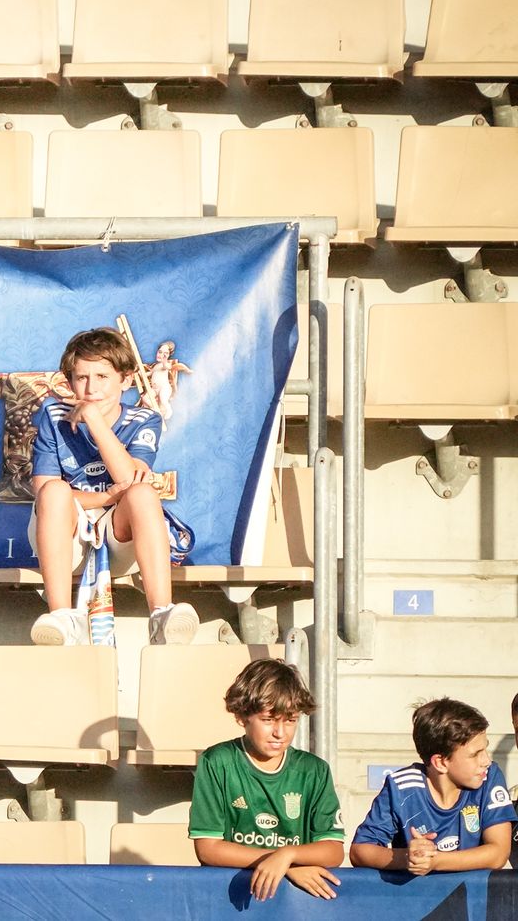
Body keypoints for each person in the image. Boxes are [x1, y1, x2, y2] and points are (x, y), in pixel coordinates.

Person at [28, 327, 197, 646]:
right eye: (81, 378)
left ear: (127, 379)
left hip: (121, 536)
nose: (91, 388)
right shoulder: (54, 416)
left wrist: (94, 420)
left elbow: (131, 479)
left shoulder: (145, 419)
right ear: (70, 382)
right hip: (68, 534)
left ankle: (161, 615)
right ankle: (63, 619)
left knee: (143, 494)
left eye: (102, 376)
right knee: (55, 492)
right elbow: (45, 492)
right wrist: (107, 495)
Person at [190, 659, 345, 902]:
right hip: (228, 897)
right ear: (242, 717)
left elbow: (334, 851)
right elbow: (208, 849)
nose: (280, 733)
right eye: (268, 719)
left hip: (293, 901)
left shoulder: (314, 770)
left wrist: (288, 855)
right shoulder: (217, 762)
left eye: (290, 720)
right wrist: (283, 862)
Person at [350, 698, 514, 873]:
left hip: (474, 898)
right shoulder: (401, 788)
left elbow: (498, 853)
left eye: (485, 749)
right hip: (418, 899)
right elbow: (359, 851)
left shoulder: (489, 777)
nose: (486, 761)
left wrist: (435, 861)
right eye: (475, 754)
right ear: (440, 762)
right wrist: (408, 858)